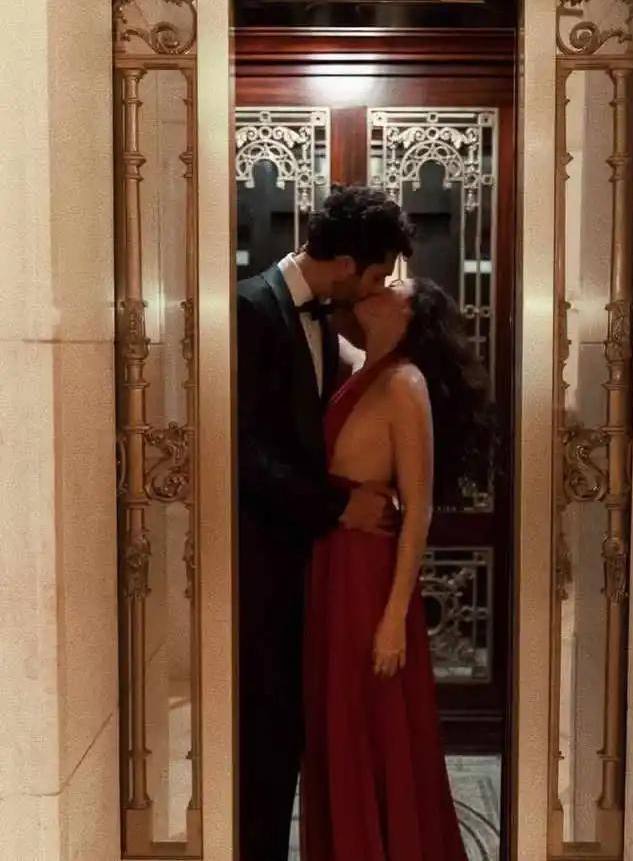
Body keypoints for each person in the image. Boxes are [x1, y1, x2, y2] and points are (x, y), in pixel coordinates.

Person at [237, 185, 414, 861]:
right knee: (267, 734)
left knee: (296, 727)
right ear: (344, 264)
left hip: (310, 561)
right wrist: (339, 506)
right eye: (376, 275)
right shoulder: (251, 309)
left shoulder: (326, 322)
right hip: (264, 564)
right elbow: (243, 452)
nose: (378, 289)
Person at [301, 276, 498, 861]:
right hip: (332, 564)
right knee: (339, 718)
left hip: (369, 578)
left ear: (410, 315)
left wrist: (393, 618)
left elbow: (419, 508)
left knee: (371, 721)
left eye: (395, 286)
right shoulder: (360, 369)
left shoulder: (406, 382)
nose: (381, 286)